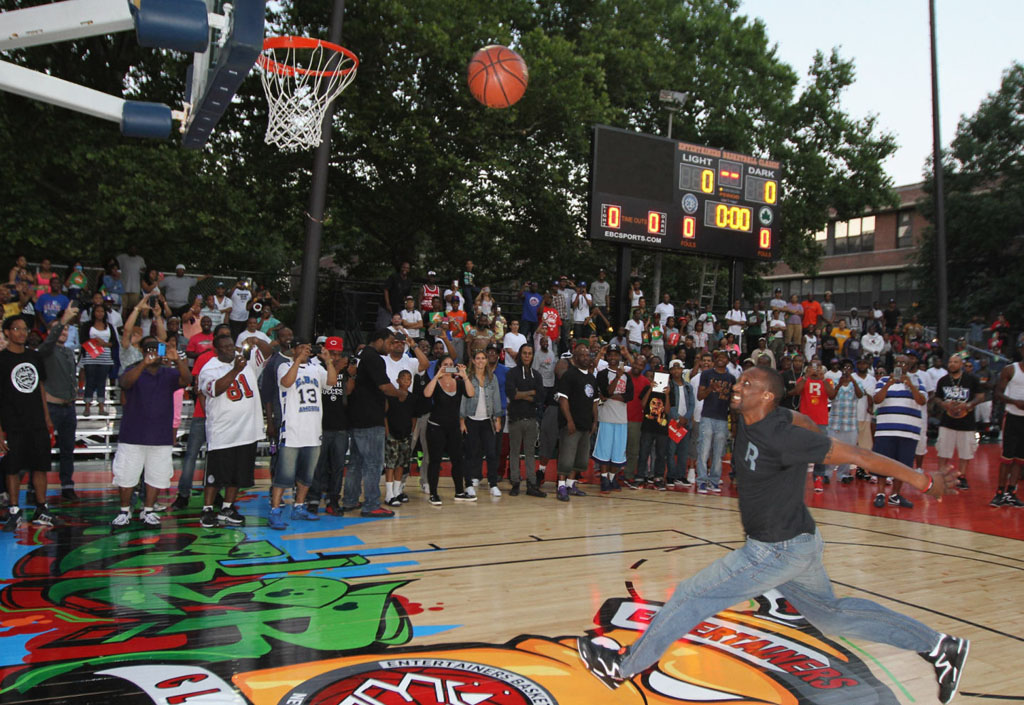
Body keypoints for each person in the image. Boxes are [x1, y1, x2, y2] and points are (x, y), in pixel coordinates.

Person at [577, 367, 970, 705]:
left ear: (764, 395)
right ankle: (940, 646)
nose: (737, 384)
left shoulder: (783, 437)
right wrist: (810, 426)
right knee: (831, 616)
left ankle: (622, 667)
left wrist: (924, 480)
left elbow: (860, 456)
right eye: (740, 379)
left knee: (691, 595)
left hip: (775, 550)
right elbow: (800, 419)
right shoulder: (761, 417)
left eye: (747, 383)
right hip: (798, 542)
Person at [110, 337, 191, 527]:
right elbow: (124, 383)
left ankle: (148, 510)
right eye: (149, 349)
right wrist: (142, 365)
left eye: (157, 349)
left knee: (157, 475)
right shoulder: (133, 369)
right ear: (143, 352)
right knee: (126, 475)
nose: (153, 353)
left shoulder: (169, 373)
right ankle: (124, 511)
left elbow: (186, 380)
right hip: (132, 435)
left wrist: (178, 360)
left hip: (160, 436)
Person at [197, 332, 274, 528]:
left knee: (237, 475)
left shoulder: (245, 361)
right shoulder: (210, 368)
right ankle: (207, 510)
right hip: (223, 432)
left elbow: (268, 352)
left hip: (247, 430)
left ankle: (227, 507)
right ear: (217, 350)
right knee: (215, 476)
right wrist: (235, 371)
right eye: (226, 347)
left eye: (232, 346)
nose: (231, 350)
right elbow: (214, 390)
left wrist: (256, 341)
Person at [267, 342, 337, 529]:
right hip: (292, 429)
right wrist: (297, 360)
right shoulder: (285, 366)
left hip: (313, 430)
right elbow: (287, 382)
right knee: (284, 475)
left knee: (307, 474)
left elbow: (331, 382)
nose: (306, 350)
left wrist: (328, 361)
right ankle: (275, 510)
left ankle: (299, 506)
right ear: (294, 349)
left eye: (308, 348)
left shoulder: (316, 368)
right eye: (302, 347)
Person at [0, 316, 57, 530]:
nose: (22, 333)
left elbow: (40, 387)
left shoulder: (34, 357)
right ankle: (14, 510)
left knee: (40, 466)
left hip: (36, 422)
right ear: (7, 332)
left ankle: (41, 508)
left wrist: (46, 417)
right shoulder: (2, 359)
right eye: (16, 329)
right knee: (12, 469)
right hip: (12, 423)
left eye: (24, 329)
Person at [343, 329, 403, 517]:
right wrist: (401, 393)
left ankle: (350, 500)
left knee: (355, 462)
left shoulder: (360, 355)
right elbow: (385, 386)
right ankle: (371, 504)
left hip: (356, 416)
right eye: (390, 342)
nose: (392, 346)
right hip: (370, 418)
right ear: (379, 340)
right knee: (373, 463)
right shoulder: (374, 358)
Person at [871, 355, 927, 509]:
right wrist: (888, 383)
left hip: (908, 432)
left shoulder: (916, 381)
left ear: (909, 366)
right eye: (898, 363)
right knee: (882, 463)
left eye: (904, 363)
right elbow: (876, 400)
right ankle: (881, 493)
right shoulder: (883, 381)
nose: (901, 365)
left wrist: (910, 385)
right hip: (885, 431)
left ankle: (895, 495)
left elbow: (922, 401)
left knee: (903, 466)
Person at [306, 339, 353, 514]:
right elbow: (321, 391)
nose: (335, 357)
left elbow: (348, 392)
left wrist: (350, 373)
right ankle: (313, 498)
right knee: (318, 465)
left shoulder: (343, 371)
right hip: (321, 426)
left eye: (338, 354)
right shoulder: (317, 369)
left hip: (340, 425)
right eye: (332, 353)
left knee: (338, 466)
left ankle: (333, 500)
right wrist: (336, 368)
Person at [38, 308, 80, 500]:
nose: (63, 332)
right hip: (51, 406)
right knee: (41, 449)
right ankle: (34, 487)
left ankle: (67, 484)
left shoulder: (69, 352)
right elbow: (47, 345)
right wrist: (62, 321)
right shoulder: (45, 351)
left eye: (65, 330)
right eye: (60, 330)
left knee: (67, 450)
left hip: (68, 407)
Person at [423, 357, 473, 504]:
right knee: (435, 461)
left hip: (453, 428)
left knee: (457, 460)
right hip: (436, 427)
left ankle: (459, 491)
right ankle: (433, 494)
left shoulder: (458, 382)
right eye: (446, 365)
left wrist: (465, 377)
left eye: (451, 365)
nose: (449, 367)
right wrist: (437, 376)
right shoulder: (436, 383)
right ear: (439, 366)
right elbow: (427, 394)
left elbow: (471, 393)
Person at [555, 344, 598, 501]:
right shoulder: (569, 375)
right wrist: (569, 421)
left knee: (580, 459)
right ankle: (560, 486)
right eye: (582, 355)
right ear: (575, 358)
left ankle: (570, 484)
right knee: (566, 458)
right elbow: (563, 400)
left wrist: (595, 421)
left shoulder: (592, 378)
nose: (585, 358)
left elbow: (594, 401)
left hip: (586, 424)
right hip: (571, 425)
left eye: (587, 355)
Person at [935, 354, 982, 491]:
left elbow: (980, 396)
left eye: (955, 362)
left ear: (961, 364)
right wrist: (944, 404)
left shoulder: (971, 379)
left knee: (965, 452)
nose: (952, 364)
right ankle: (942, 476)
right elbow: (937, 398)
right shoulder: (943, 380)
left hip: (966, 421)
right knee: (943, 451)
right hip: (947, 421)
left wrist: (968, 405)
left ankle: (962, 477)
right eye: (950, 361)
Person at [506, 342, 546, 497]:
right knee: (514, 452)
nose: (527, 356)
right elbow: (512, 394)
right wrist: (531, 393)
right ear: (520, 355)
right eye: (524, 353)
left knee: (530, 453)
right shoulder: (512, 374)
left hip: (531, 418)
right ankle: (515, 482)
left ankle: (531, 484)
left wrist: (522, 394)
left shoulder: (537, 375)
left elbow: (541, 396)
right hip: (515, 418)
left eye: (529, 353)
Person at [461, 350, 503, 497]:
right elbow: (463, 399)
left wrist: (498, 419)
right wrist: (461, 420)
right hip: (471, 420)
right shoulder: (468, 377)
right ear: (473, 360)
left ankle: (493, 484)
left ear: (486, 360)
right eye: (477, 358)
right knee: (470, 453)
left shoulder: (493, 378)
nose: (480, 361)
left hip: (487, 420)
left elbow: (497, 399)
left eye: (483, 358)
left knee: (491, 453)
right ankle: (469, 484)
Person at [593, 344, 633, 493]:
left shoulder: (627, 375)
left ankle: (611, 478)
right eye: (611, 355)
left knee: (618, 452)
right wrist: (617, 378)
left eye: (616, 355)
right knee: (604, 451)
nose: (613, 357)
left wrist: (613, 396)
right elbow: (605, 392)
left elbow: (629, 396)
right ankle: (604, 478)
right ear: (607, 357)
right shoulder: (603, 374)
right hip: (606, 417)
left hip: (622, 418)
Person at [792, 359, 835, 491]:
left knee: (820, 450)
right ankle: (797, 478)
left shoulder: (827, 381)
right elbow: (797, 391)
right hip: (805, 420)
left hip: (821, 421)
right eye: (813, 366)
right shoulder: (803, 379)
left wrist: (822, 379)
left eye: (818, 366)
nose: (816, 369)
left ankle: (818, 478)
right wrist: (806, 377)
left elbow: (832, 395)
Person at [695, 350, 734, 493]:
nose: (721, 359)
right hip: (707, 416)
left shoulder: (731, 378)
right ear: (715, 360)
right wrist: (711, 388)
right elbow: (699, 396)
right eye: (719, 357)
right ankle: (701, 481)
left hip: (723, 418)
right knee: (704, 451)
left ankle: (714, 480)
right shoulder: (706, 375)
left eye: (724, 358)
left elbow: (731, 402)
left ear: (728, 361)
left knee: (719, 453)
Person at [993, 340, 1024, 507]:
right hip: (1012, 416)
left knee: (1020, 459)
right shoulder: (1011, 369)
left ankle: (1011, 491)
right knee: (1007, 457)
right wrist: (1014, 402)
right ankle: (999, 492)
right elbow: (997, 393)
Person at [826, 359, 863, 484]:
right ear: (841, 370)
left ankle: (843, 474)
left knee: (848, 452)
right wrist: (839, 385)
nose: (847, 370)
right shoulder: (834, 382)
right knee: (831, 449)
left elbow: (859, 395)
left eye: (849, 368)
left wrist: (853, 382)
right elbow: (831, 396)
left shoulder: (856, 383)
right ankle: (827, 473)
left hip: (850, 423)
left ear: (852, 370)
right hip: (835, 423)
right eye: (844, 368)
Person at [383, 369, 416, 507]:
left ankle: (397, 491)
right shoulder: (391, 396)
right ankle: (389, 493)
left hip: (405, 435)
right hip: (392, 435)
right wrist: (387, 432)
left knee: (401, 463)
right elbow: (385, 415)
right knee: (390, 464)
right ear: (397, 380)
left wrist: (411, 432)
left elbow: (414, 417)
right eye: (403, 378)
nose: (406, 381)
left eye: (409, 379)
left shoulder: (412, 398)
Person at [79, 302, 115, 417]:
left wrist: (103, 343)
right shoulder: (87, 325)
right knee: (89, 381)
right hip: (90, 356)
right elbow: (83, 340)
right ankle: (87, 407)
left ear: (105, 313)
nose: (99, 313)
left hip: (105, 358)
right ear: (93, 313)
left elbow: (113, 343)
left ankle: (101, 407)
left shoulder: (109, 326)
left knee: (102, 382)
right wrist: (94, 343)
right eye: (97, 311)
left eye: (102, 311)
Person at [666, 358, 695, 489]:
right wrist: (677, 418)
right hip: (673, 423)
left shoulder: (688, 387)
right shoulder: (669, 386)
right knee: (671, 450)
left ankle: (680, 475)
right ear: (671, 371)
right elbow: (670, 404)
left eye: (679, 368)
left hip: (686, 424)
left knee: (684, 451)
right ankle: (671, 475)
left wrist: (686, 418)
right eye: (674, 368)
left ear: (682, 369)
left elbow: (692, 404)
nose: (677, 371)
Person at [622, 355, 649, 488]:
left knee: (633, 450)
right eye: (636, 364)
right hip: (619, 418)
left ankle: (629, 475)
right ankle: (612, 474)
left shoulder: (646, 382)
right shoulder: (623, 376)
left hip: (636, 420)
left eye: (641, 365)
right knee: (617, 449)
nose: (638, 367)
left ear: (644, 367)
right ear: (632, 363)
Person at [382, 261, 412, 328]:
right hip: (388, 305)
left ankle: (395, 338)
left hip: (398, 306)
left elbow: (406, 295)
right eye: (404, 267)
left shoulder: (409, 281)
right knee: (384, 325)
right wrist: (387, 304)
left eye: (407, 268)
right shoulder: (394, 277)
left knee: (396, 326)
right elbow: (386, 289)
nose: (405, 269)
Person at [116, 246, 147, 311]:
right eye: (131, 249)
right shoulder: (121, 257)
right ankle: (123, 320)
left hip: (135, 288)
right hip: (123, 287)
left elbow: (143, 270)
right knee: (123, 307)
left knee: (133, 308)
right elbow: (115, 267)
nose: (133, 250)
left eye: (135, 249)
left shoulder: (140, 259)